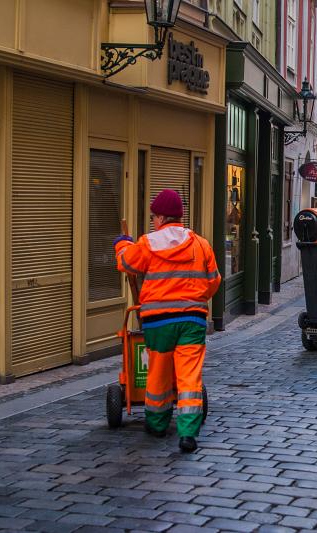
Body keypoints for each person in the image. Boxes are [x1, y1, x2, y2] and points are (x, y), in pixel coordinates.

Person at [113, 189, 221, 453]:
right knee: (189, 377)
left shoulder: (147, 243)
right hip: (192, 321)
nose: (153, 221)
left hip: (158, 322)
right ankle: (188, 433)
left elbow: (126, 263)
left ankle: (157, 424)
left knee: (158, 372)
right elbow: (214, 281)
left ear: (161, 217)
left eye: (153, 216)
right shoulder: (200, 244)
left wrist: (122, 243)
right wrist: (195, 299)